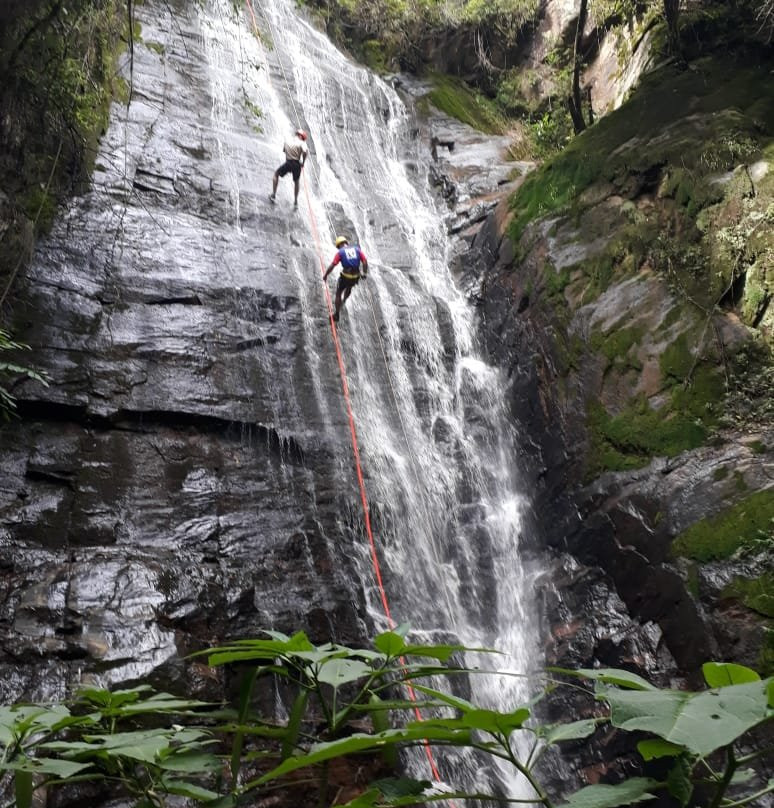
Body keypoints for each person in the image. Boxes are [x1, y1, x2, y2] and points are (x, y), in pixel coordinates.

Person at [323, 236, 368, 322]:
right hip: (355, 276)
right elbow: (365, 261)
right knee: (349, 286)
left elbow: (333, 265)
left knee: (339, 292)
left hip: (346, 276)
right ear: (346, 243)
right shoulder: (357, 249)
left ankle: (337, 314)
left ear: (339, 245)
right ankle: (344, 300)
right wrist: (364, 273)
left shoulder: (340, 252)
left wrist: (326, 275)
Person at [270, 128, 308, 208]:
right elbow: (305, 152)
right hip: (297, 164)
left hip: (288, 162)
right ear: (301, 136)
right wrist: (303, 163)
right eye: (303, 138)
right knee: (296, 181)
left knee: (276, 174)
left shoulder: (287, 140)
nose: (303, 139)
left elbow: (284, 151)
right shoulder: (302, 143)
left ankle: (273, 194)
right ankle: (295, 201)